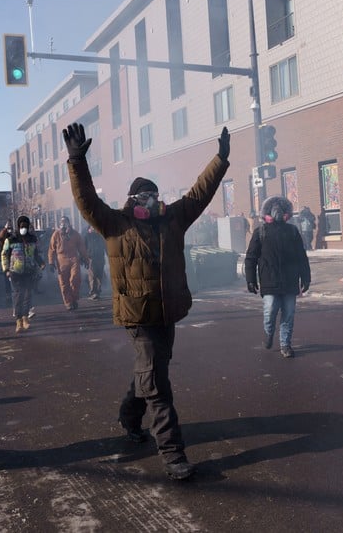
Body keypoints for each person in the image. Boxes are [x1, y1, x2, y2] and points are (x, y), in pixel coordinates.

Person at [64, 122, 230, 481]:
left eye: (154, 195)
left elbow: (200, 193)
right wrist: (77, 160)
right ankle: (173, 456)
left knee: (152, 372)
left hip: (167, 311)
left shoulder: (173, 220)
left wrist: (220, 159)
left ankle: (128, 416)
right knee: (157, 385)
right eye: (144, 196)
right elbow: (86, 200)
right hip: (137, 316)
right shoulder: (114, 223)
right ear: (132, 199)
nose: (151, 200)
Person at [244, 196, 311, 358]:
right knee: (270, 309)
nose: (278, 212)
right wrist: (250, 279)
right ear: (267, 213)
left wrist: (306, 277)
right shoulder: (261, 232)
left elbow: (301, 256)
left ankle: (285, 345)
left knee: (288, 314)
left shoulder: (292, 231)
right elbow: (251, 257)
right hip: (269, 279)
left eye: (281, 209)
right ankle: (269, 332)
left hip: (290, 280)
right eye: (274, 209)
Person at [0, 214, 45, 332]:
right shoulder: (10, 239)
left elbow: (36, 254)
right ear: (18, 226)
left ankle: (25, 318)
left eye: (26, 225)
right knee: (18, 295)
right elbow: (4, 255)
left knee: (28, 295)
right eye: (22, 225)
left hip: (29, 271)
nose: (24, 228)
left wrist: (41, 263)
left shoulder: (32, 239)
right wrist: (6, 269)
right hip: (15, 271)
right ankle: (18, 320)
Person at [47, 216, 89, 310]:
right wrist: (51, 262)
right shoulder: (56, 234)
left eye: (65, 222)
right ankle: (68, 302)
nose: (64, 224)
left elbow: (81, 247)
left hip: (74, 258)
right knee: (64, 283)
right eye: (62, 222)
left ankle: (74, 298)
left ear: (69, 223)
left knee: (75, 279)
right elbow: (51, 249)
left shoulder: (75, 234)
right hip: (61, 260)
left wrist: (85, 259)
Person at [84, 225, 107, 300]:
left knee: (99, 276)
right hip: (91, 259)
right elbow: (83, 248)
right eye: (92, 227)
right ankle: (93, 292)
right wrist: (83, 258)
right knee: (92, 276)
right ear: (89, 229)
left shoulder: (101, 236)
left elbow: (106, 247)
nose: (93, 229)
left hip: (100, 258)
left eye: (94, 227)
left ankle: (98, 292)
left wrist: (109, 255)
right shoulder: (87, 236)